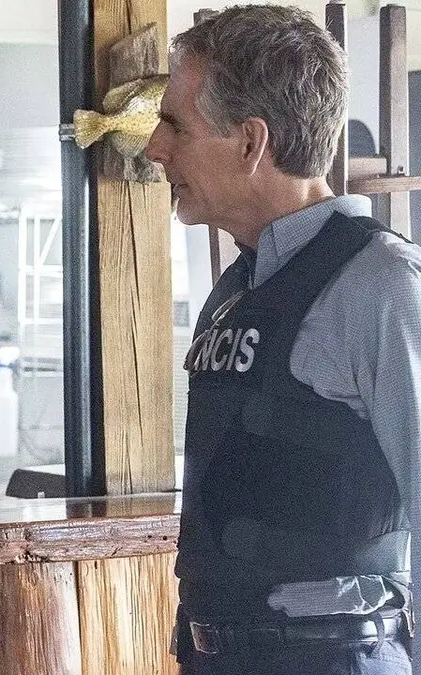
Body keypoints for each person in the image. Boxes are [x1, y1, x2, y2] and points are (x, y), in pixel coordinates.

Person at [146, 6, 418, 674]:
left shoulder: (381, 284)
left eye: (175, 124)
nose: (155, 147)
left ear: (250, 142)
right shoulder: (241, 284)